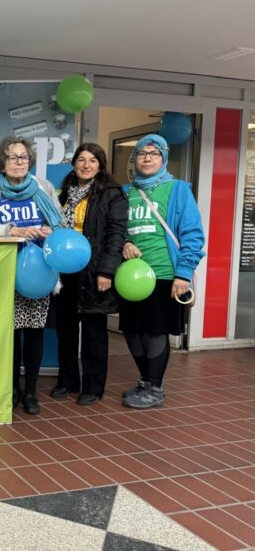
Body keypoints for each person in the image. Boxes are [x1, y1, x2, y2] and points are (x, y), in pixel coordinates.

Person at [0, 135, 64, 415]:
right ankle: (11, 388)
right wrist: (11, 231)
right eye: (12, 157)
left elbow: (61, 223)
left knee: (35, 332)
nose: (19, 162)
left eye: (23, 157)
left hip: (39, 273)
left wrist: (50, 232)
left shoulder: (44, 188)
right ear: (2, 162)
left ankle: (31, 392)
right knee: (9, 334)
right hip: (4, 272)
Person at [120, 134, 205, 409]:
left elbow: (193, 234)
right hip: (130, 277)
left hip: (164, 273)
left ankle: (155, 388)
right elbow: (116, 229)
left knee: (155, 332)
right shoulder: (126, 192)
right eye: (142, 153)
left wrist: (183, 274)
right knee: (132, 331)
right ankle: (146, 380)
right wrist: (124, 242)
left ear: (163, 158)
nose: (147, 158)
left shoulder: (178, 190)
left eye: (154, 153)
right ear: (134, 159)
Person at [51, 143, 127, 405]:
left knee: (94, 333)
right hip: (65, 272)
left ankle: (93, 387)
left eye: (92, 160)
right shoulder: (62, 194)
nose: (86, 165)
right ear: (73, 163)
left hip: (95, 272)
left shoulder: (111, 194)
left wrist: (106, 271)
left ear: (100, 165)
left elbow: (117, 235)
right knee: (66, 329)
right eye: (81, 159)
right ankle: (68, 380)